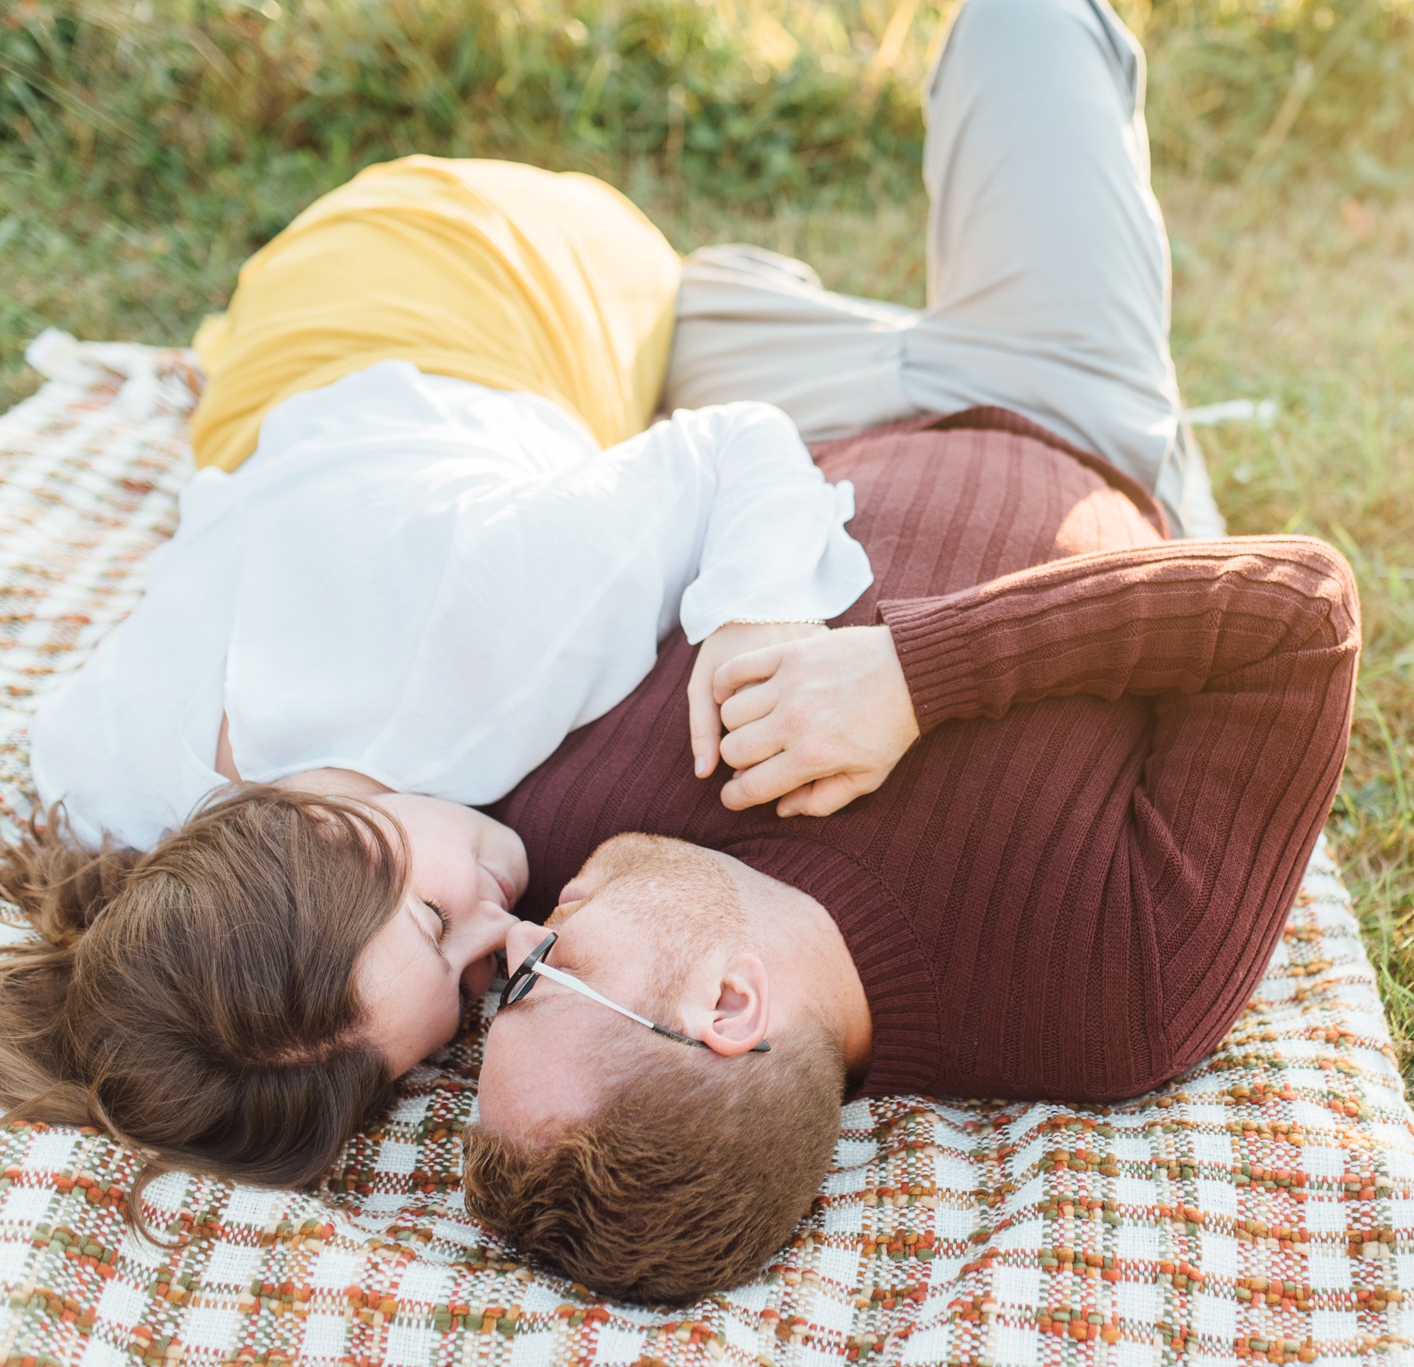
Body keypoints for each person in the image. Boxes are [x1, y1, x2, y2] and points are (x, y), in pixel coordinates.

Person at [459, 0, 1358, 1306]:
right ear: (725, 1004)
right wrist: (912, 679)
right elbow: (1297, 611)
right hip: (1063, 400)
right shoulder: (1118, 990)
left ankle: (776, 299)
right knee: (1029, 24)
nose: (516, 938)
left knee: (587, 297)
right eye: (541, 980)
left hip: (786, 417)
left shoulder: (565, 841)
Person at [0, 156, 875, 1193]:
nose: (510, 926)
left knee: (767, 353)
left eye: (439, 922)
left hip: (498, 250)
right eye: (472, 985)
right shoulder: (101, 784)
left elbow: (735, 442)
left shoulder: (490, 633)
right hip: (276, 353)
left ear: (328, 830)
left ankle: (728, 285)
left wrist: (757, 616)